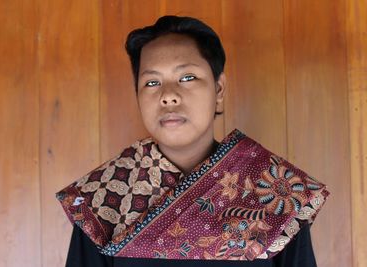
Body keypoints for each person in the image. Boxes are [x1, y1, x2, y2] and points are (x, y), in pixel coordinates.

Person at [56, 15, 329, 267]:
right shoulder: (101, 201)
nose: (168, 96)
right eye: (152, 82)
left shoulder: (276, 192)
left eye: (187, 78)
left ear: (218, 89)